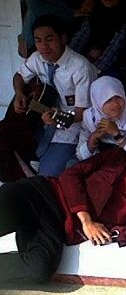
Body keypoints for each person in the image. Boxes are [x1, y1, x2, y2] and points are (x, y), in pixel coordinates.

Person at [0, 137, 126, 285]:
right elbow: (71, 174)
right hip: (43, 194)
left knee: (39, 271)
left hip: (55, 226)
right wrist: (86, 220)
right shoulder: (116, 158)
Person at [10, 15, 98, 178]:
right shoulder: (37, 58)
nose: (43, 46)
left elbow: (82, 113)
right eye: (38, 41)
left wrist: (56, 117)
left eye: (49, 39)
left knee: (46, 177)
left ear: (62, 38)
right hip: (42, 122)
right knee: (13, 153)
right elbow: (19, 76)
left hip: (71, 127)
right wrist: (19, 93)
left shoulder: (80, 68)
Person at [76, 76, 126, 161]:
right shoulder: (90, 118)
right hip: (100, 163)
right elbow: (80, 156)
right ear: (98, 101)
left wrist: (117, 135)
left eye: (119, 97)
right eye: (108, 100)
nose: (115, 104)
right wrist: (93, 138)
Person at [69, 0, 126, 79]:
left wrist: (90, 73)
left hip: (111, 68)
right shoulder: (93, 14)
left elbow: (112, 52)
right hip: (85, 65)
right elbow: (79, 40)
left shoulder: (124, 19)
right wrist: (67, 62)